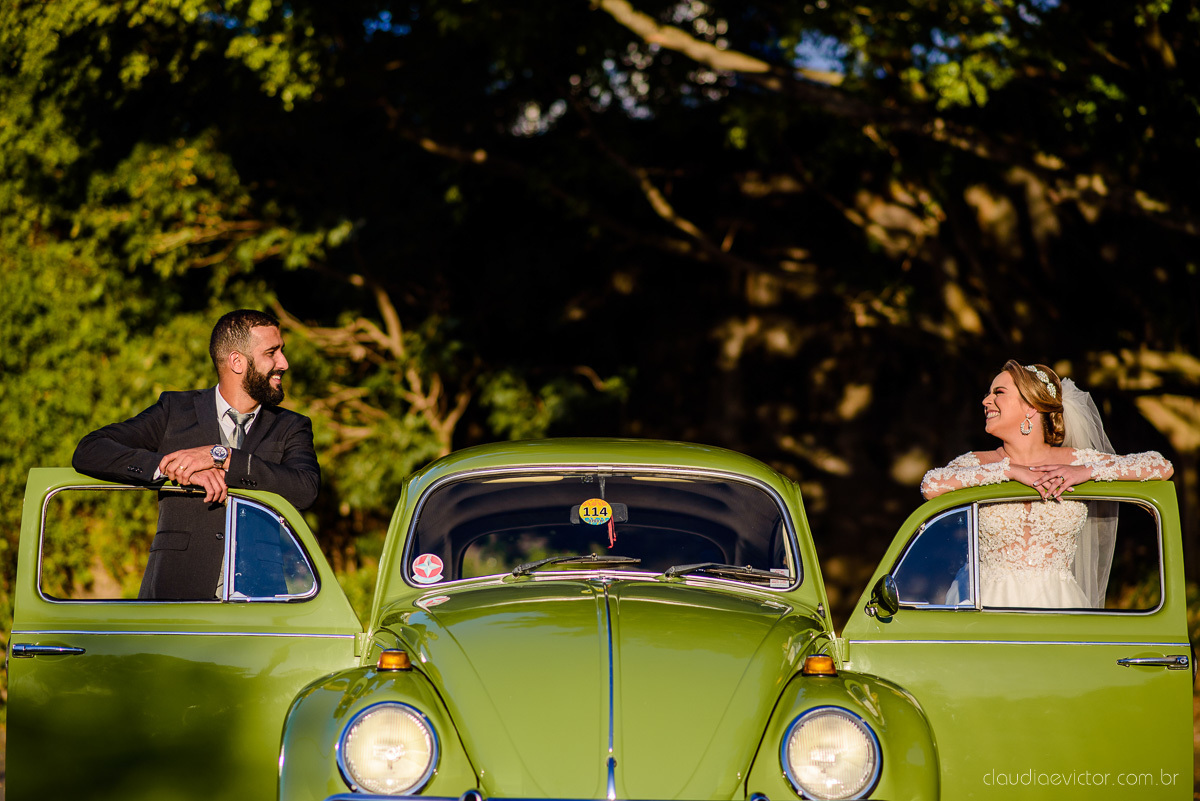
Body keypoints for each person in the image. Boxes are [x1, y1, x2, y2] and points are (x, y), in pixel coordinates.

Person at [73, 309, 320, 600]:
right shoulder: (174, 410)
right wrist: (171, 467)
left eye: (282, 351)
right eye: (272, 352)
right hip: (174, 597)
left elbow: (305, 489)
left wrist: (223, 456)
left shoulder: (291, 426)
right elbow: (90, 450)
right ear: (237, 361)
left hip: (259, 603)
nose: (284, 363)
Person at [920, 360, 1172, 608]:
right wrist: (1008, 471)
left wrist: (1086, 472)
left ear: (1031, 406)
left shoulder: (1075, 461)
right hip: (985, 601)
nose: (986, 401)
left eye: (999, 392)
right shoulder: (979, 462)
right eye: (988, 394)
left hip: (1059, 602)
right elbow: (931, 485)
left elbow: (1161, 466)